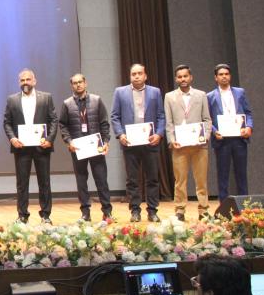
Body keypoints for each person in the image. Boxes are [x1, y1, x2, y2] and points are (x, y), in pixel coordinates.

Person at [110, 63, 165, 223]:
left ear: (145, 76)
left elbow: (161, 116)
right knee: (132, 179)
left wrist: (159, 134)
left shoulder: (155, 92)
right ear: (130, 76)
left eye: (140, 73)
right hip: (130, 143)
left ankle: (152, 211)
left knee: (152, 178)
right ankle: (135, 211)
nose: (137, 76)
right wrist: (120, 134)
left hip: (150, 142)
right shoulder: (120, 92)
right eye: (133, 74)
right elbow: (115, 116)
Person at [3, 68, 58, 224]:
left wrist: (50, 139)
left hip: (42, 146)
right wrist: (13, 138)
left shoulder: (46, 98)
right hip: (21, 148)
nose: (25, 82)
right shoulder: (12, 100)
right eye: (22, 80)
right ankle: (22, 215)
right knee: (22, 183)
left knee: (44, 182)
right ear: (19, 82)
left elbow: (53, 120)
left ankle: (45, 215)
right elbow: (7, 122)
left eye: (28, 79)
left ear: (34, 81)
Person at [58, 73, 113, 222]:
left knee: (101, 179)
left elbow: (104, 123)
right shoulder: (67, 103)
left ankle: (107, 212)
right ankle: (85, 213)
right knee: (81, 181)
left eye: (80, 82)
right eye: (75, 83)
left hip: (96, 146)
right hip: (78, 148)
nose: (78, 85)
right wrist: (69, 142)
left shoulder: (96, 100)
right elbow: (63, 125)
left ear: (85, 83)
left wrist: (106, 142)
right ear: (72, 86)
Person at [164, 65, 212, 221]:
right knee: (180, 181)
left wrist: (205, 136)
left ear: (191, 77)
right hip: (179, 146)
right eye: (179, 77)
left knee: (201, 180)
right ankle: (180, 210)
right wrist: (172, 140)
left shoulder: (201, 95)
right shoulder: (169, 97)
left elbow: (207, 119)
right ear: (176, 79)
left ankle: (203, 209)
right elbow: (169, 122)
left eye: (185, 76)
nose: (183, 79)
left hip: (199, 145)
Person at [207, 63, 254, 201]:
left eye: (226, 74)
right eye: (221, 74)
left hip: (239, 138)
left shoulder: (240, 92)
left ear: (230, 76)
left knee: (241, 174)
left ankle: (245, 205)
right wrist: (214, 131)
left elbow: (248, 113)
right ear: (216, 77)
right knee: (223, 175)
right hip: (222, 140)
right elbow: (207, 119)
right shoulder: (210, 96)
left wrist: (249, 127)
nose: (224, 77)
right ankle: (223, 206)